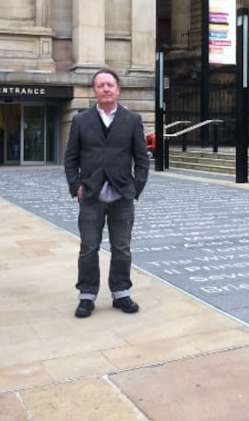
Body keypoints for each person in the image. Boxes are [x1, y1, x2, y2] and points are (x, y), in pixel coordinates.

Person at [64, 68, 150, 318]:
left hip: (122, 196)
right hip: (91, 196)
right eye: (100, 85)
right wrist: (76, 186)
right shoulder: (81, 120)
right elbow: (71, 158)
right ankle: (87, 296)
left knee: (121, 247)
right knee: (88, 248)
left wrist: (135, 188)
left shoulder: (132, 119)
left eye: (109, 85)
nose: (105, 89)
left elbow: (141, 159)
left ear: (118, 89)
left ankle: (121, 293)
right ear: (95, 91)